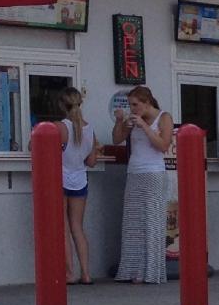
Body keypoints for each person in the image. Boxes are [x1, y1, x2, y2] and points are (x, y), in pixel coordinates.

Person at [113, 85, 174, 284]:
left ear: (147, 103)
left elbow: (163, 146)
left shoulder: (163, 117)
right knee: (133, 222)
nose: (133, 109)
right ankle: (133, 269)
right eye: (130, 105)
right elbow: (117, 139)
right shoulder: (132, 118)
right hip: (134, 171)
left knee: (151, 220)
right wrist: (120, 121)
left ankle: (151, 270)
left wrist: (145, 126)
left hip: (153, 172)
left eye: (135, 105)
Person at [58, 87, 101, 285]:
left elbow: (36, 146)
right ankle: (86, 273)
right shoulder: (90, 129)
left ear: (61, 105)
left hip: (60, 179)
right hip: (80, 181)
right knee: (78, 227)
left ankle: (69, 273)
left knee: (63, 227)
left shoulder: (60, 127)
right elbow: (91, 162)